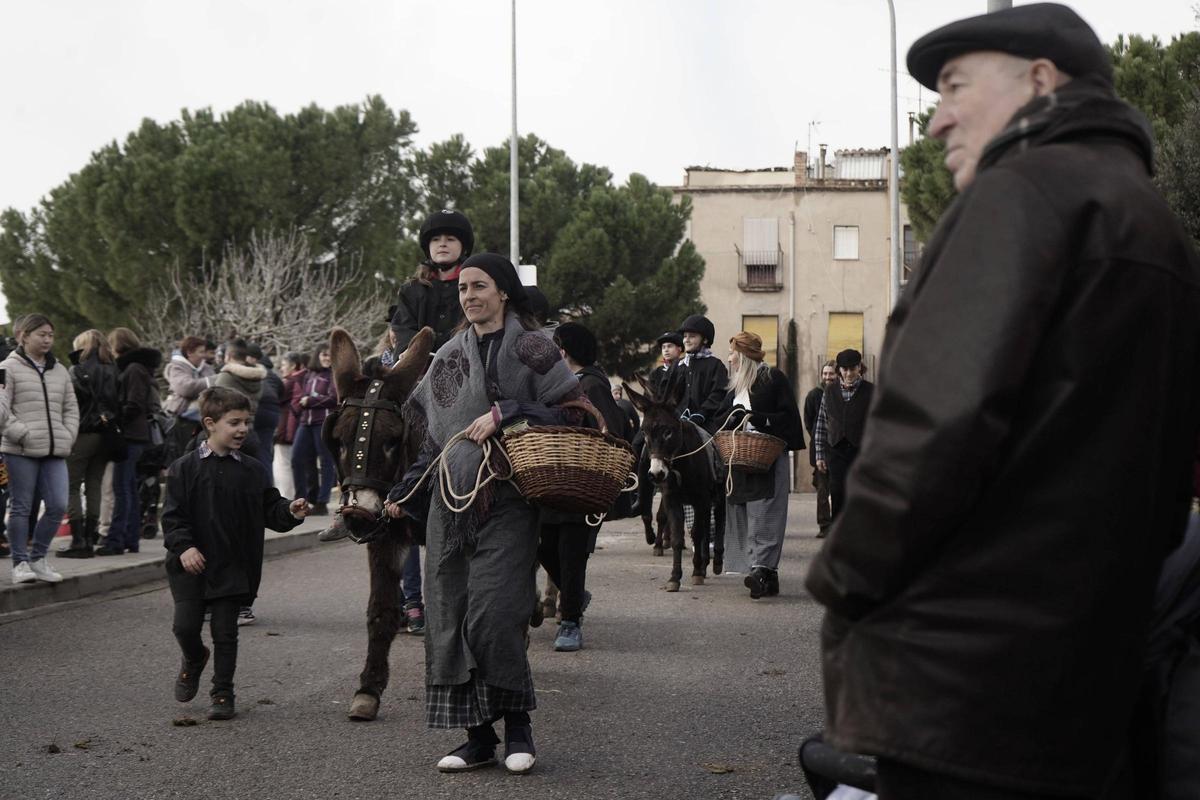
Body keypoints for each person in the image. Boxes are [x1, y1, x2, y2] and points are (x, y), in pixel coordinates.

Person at [805, 5, 1200, 798]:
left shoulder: (1019, 197)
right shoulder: (1153, 227)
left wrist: (841, 579)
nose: (935, 120)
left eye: (954, 86)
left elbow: (931, 428)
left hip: (964, 680)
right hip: (1084, 686)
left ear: (1042, 82)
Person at [384, 252, 585, 775]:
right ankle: (476, 737)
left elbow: (577, 413)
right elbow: (432, 444)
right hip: (450, 503)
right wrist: (402, 493)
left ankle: (518, 726)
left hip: (510, 498)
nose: (469, 295)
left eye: (479, 286)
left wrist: (509, 411)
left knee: (495, 613)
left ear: (503, 291)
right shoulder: (448, 357)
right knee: (448, 617)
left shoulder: (533, 345)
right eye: (463, 289)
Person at [163, 387, 308, 721]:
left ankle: (223, 692)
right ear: (210, 423)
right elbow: (172, 517)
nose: (243, 429)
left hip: (233, 566)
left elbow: (269, 507)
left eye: (247, 422)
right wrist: (184, 547)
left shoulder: (253, 470)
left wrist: (291, 511)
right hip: (190, 566)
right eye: (235, 422)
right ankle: (195, 658)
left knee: (225, 633)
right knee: (185, 628)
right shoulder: (184, 468)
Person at [538, 322, 623, 652]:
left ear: (564, 351)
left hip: (581, 482)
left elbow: (611, 430)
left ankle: (571, 621)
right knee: (543, 547)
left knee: (571, 554)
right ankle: (576, 595)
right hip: (554, 478)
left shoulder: (592, 385)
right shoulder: (560, 384)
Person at [715, 332, 804, 598]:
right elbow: (722, 416)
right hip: (740, 460)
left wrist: (756, 417)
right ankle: (765, 574)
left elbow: (788, 416)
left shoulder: (773, 378)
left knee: (765, 514)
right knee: (743, 515)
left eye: (732, 353)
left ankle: (761, 570)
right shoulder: (734, 387)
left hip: (767, 459)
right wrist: (730, 420)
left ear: (743, 355)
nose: (729, 358)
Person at [0, 314, 79, 584]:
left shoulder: (59, 370)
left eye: (50, 335)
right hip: (20, 450)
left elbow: (71, 407)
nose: (47, 339)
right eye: (41, 334)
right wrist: (21, 433)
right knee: (21, 507)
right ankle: (20, 562)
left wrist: (67, 435)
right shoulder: (6, 368)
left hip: (55, 449)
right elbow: (1, 409)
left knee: (58, 505)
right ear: (24, 335)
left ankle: (39, 557)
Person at [96, 328, 162, 556]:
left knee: (122, 488)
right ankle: (130, 539)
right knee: (128, 489)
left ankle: (116, 540)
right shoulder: (139, 367)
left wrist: (116, 421)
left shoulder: (133, 369)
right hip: (136, 435)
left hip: (130, 435)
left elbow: (134, 403)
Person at [61, 330, 121, 558]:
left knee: (72, 485)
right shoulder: (113, 369)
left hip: (82, 432)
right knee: (95, 486)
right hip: (106, 436)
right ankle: (89, 537)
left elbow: (69, 402)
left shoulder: (77, 369)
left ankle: (78, 541)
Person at [391, 209, 474, 354]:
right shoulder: (411, 289)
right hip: (420, 366)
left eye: (450, 239)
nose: (442, 244)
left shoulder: (475, 287)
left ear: (463, 247)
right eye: (435, 239)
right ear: (428, 247)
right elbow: (403, 331)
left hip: (464, 362)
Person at [811, 349, 872, 522]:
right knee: (837, 493)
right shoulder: (829, 391)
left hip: (861, 452)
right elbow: (822, 424)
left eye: (852, 369)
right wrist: (819, 455)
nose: (848, 373)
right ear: (839, 370)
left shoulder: (871, 391)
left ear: (859, 367)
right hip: (836, 451)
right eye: (844, 369)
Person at [290, 344, 336, 515]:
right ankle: (302, 499)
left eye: (330, 355)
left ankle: (322, 502)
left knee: (326, 461)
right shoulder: (309, 374)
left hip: (322, 422)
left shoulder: (333, 375)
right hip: (305, 422)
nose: (327, 358)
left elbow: (334, 398)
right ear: (317, 355)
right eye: (324, 355)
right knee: (298, 458)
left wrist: (309, 401)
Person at [164, 335, 217, 453]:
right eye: (201, 352)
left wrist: (198, 386)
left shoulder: (206, 368)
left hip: (204, 421)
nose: (204, 355)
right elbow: (185, 387)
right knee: (182, 454)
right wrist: (209, 381)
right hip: (182, 419)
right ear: (189, 353)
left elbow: (215, 390)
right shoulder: (176, 367)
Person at [803, 361, 837, 538]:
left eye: (831, 373)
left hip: (838, 449)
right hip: (820, 449)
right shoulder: (814, 395)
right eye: (825, 373)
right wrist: (819, 438)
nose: (827, 377)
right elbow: (809, 422)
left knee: (839, 488)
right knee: (822, 490)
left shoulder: (840, 393)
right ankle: (824, 526)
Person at [272, 351, 306, 501]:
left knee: (282, 464)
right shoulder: (306, 379)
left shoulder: (290, 382)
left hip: (286, 428)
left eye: (284, 365)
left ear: (293, 366)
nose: (281, 368)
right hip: (298, 428)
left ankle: (284, 497)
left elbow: (276, 398)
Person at [247, 343, 282, 480]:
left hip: (257, 411)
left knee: (253, 453)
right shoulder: (272, 374)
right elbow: (281, 390)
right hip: (273, 412)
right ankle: (269, 491)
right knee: (265, 454)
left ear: (252, 358)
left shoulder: (249, 370)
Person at [214, 339, 266, 414]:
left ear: (228, 356)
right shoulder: (257, 377)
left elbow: (216, 405)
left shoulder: (226, 377)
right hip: (249, 422)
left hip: (229, 423)